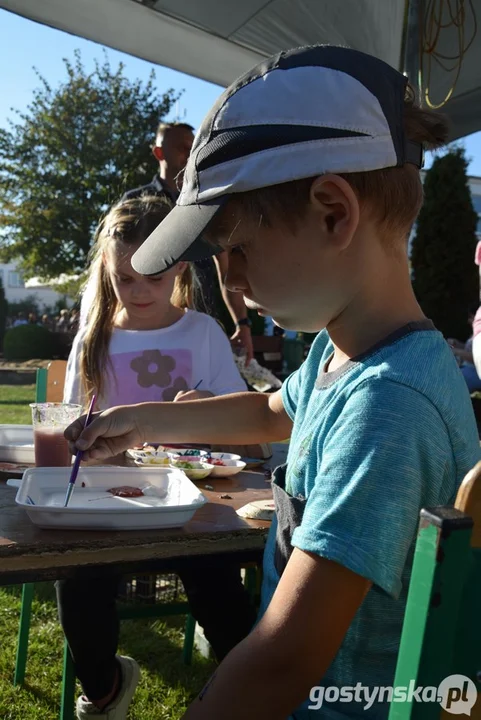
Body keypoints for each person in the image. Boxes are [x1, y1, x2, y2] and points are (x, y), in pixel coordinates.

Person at [66, 46, 481, 720]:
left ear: (331, 212)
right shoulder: (341, 355)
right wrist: (144, 420)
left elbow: (286, 656)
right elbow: (269, 412)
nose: (226, 280)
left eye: (237, 249)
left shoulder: (387, 405)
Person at [59, 195, 255, 720]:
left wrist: (208, 409)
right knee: (78, 583)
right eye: (125, 278)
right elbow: (72, 427)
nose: (139, 290)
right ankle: (104, 691)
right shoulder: (93, 338)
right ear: (107, 271)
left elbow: (245, 430)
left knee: (223, 593)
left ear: (180, 269)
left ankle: (243, 688)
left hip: (193, 508)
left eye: (152, 276)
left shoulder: (204, 333)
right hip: (107, 509)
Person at [79, 121, 254, 363]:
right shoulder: (135, 203)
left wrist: (242, 323)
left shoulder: (205, 203)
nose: (190, 154)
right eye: (182, 147)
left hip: (198, 318)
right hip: (149, 325)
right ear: (159, 153)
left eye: (194, 147)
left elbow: (225, 267)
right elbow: (115, 267)